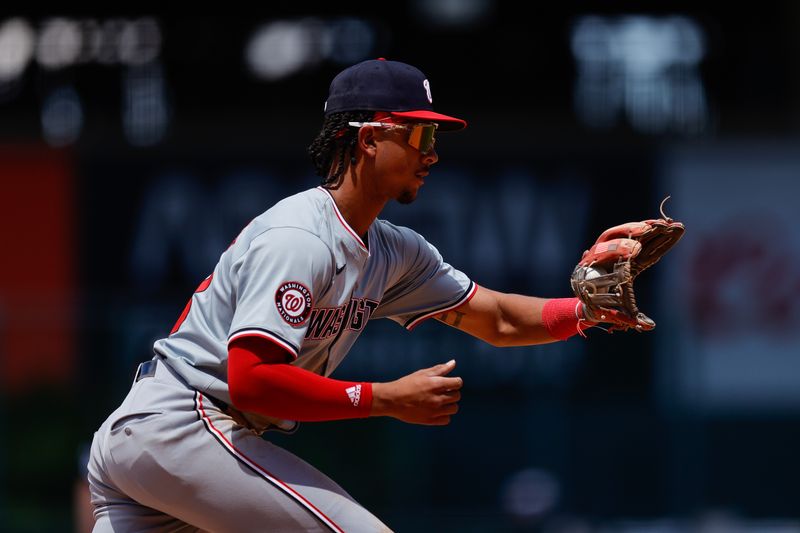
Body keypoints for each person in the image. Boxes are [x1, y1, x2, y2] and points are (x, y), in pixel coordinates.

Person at [87, 58, 600, 532]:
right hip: (182, 423)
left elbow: (499, 320)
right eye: (419, 133)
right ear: (370, 137)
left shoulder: (394, 251)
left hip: (163, 442)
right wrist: (383, 398)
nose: (432, 153)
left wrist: (590, 310)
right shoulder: (301, 237)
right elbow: (253, 382)